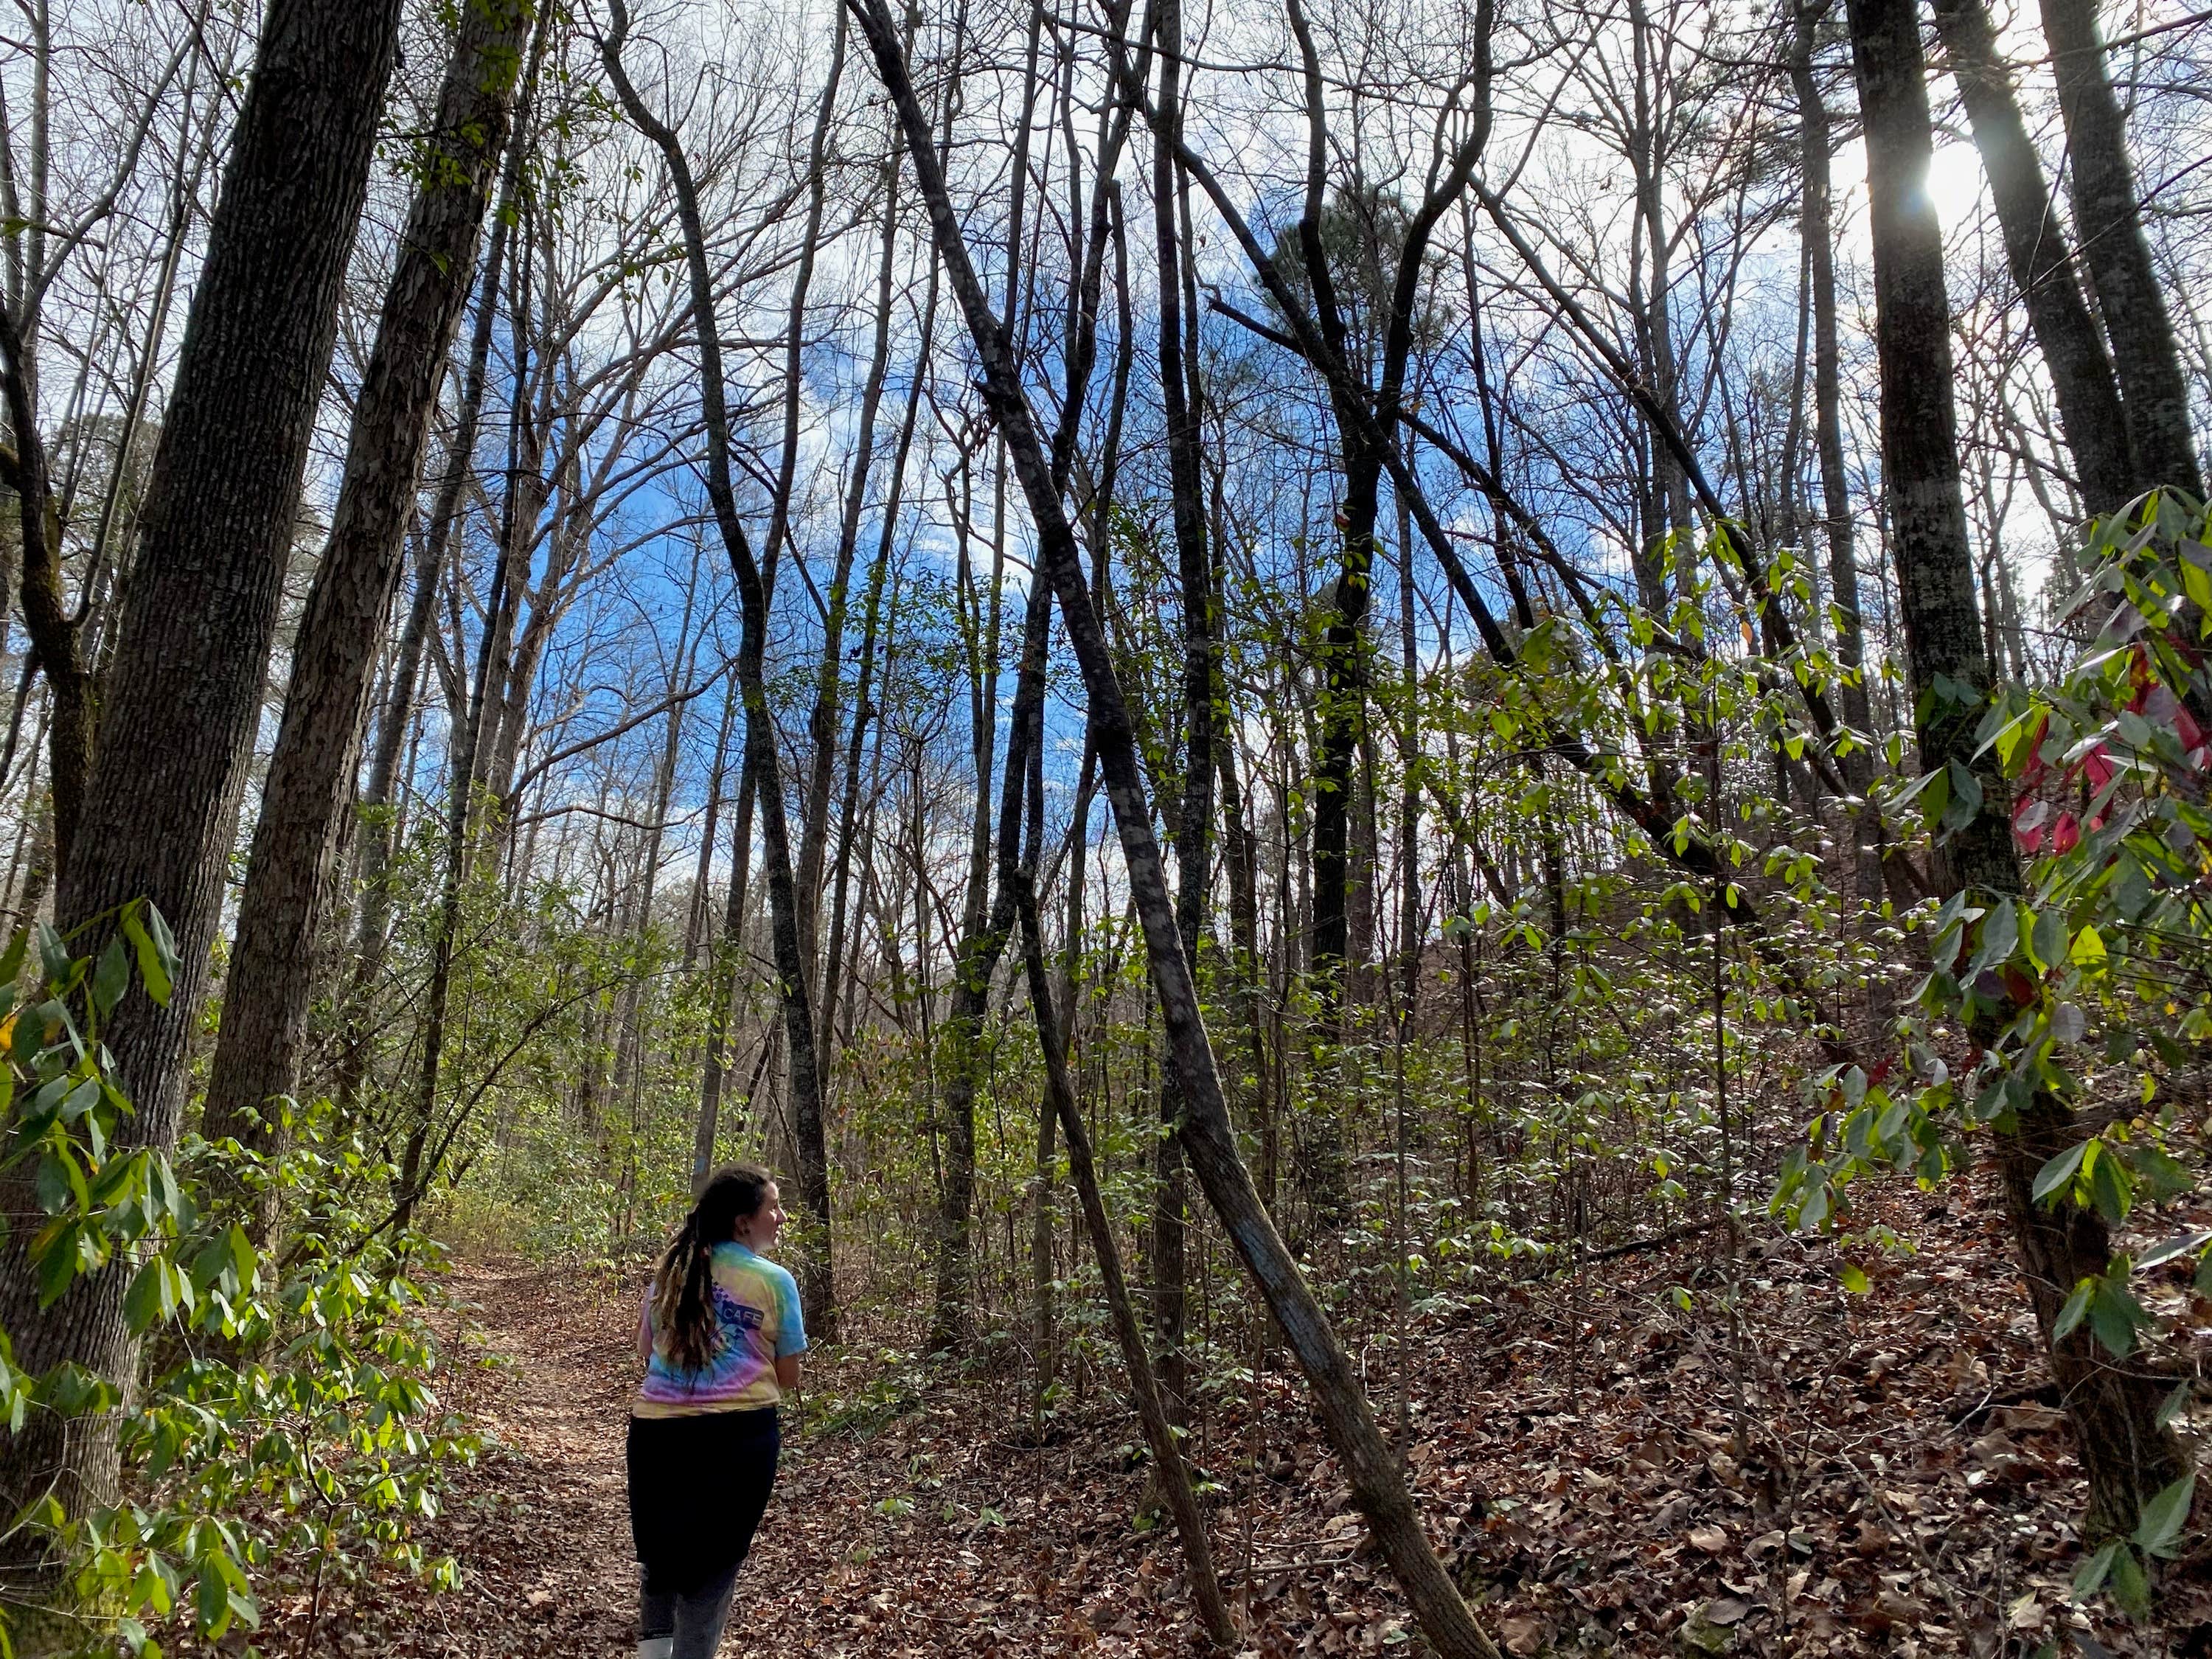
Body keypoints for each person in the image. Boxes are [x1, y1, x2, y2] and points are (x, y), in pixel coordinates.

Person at [627, 1164, 805, 1659]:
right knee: (714, 1565)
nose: (782, 1217)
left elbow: (646, 1351)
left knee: (661, 1556)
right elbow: (788, 1378)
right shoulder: (774, 1282)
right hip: (738, 1441)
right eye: (773, 1207)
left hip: (656, 1433)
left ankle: (653, 1655)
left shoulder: (672, 1269)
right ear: (743, 1221)